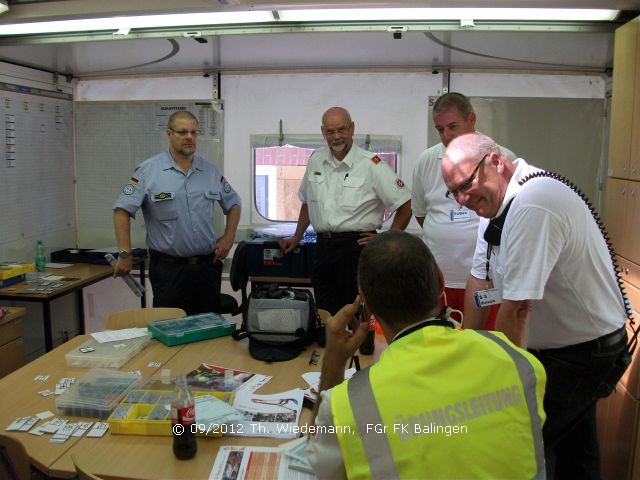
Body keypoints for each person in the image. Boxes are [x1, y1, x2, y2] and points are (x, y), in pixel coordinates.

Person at [441, 132, 631, 479]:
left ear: (496, 162)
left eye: (465, 184)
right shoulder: (493, 204)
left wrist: (504, 388)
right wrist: (464, 347)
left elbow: (518, 308)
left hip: (584, 353)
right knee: (575, 450)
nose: (462, 198)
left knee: (523, 443)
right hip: (563, 347)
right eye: (453, 191)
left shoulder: (533, 202)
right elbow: (480, 280)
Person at [307, 230, 546, 479]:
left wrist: (333, 363)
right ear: (441, 282)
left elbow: (318, 465)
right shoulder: (520, 362)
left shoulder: (347, 406)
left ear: (365, 301)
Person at [279, 106, 411, 354]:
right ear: (323, 132)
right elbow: (308, 203)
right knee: (327, 315)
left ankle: (363, 367)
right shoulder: (316, 159)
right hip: (324, 247)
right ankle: (329, 367)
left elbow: (405, 206)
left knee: (360, 314)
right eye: (330, 131)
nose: (336, 136)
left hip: (357, 249)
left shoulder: (372, 164)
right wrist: (295, 238)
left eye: (342, 130)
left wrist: (386, 241)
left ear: (352, 129)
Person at [113, 110, 241, 315]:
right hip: (169, 270)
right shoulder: (148, 171)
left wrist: (229, 237)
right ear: (169, 134)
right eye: (182, 132)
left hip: (206, 269)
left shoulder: (210, 171)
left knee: (207, 329)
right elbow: (121, 210)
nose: (189, 137)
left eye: (193, 132)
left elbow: (234, 203)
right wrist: (125, 252)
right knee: (172, 327)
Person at [411, 92, 516, 327]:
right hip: (440, 277)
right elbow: (420, 212)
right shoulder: (427, 161)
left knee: (486, 345)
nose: (446, 136)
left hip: (489, 280)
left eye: (452, 126)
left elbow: (512, 217)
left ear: (471, 119)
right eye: (440, 129)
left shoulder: (500, 157)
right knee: (441, 345)